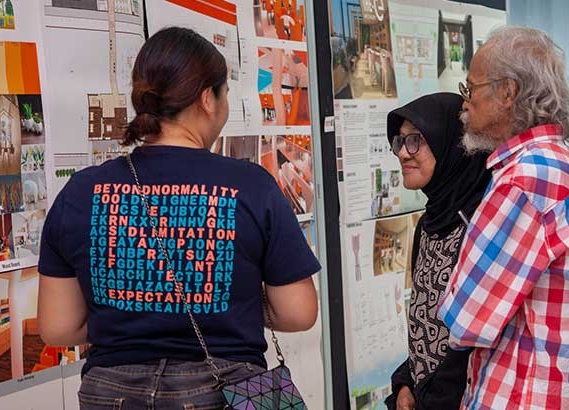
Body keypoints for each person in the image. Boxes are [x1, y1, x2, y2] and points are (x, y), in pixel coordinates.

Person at [37, 27, 320, 409]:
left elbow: (56, 328)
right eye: (225, 94)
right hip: (225, 392)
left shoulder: (80, 191)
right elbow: (299, 312)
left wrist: (134, 311)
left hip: (110, 393)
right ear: (207, 98)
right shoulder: (252, 186)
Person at [439, 27, 569, 409]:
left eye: (470, 88)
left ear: (508, 92)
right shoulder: (563, 165)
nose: (465, 103)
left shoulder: (525, 180)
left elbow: (464, 319)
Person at [384, 93, 491, 410]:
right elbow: (426, 322)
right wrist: (405, 380)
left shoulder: (481, 224)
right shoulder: (429, 224)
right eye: (400, 142)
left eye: (416, 140)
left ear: (453, 145)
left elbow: (474, 339)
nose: (403, 153)